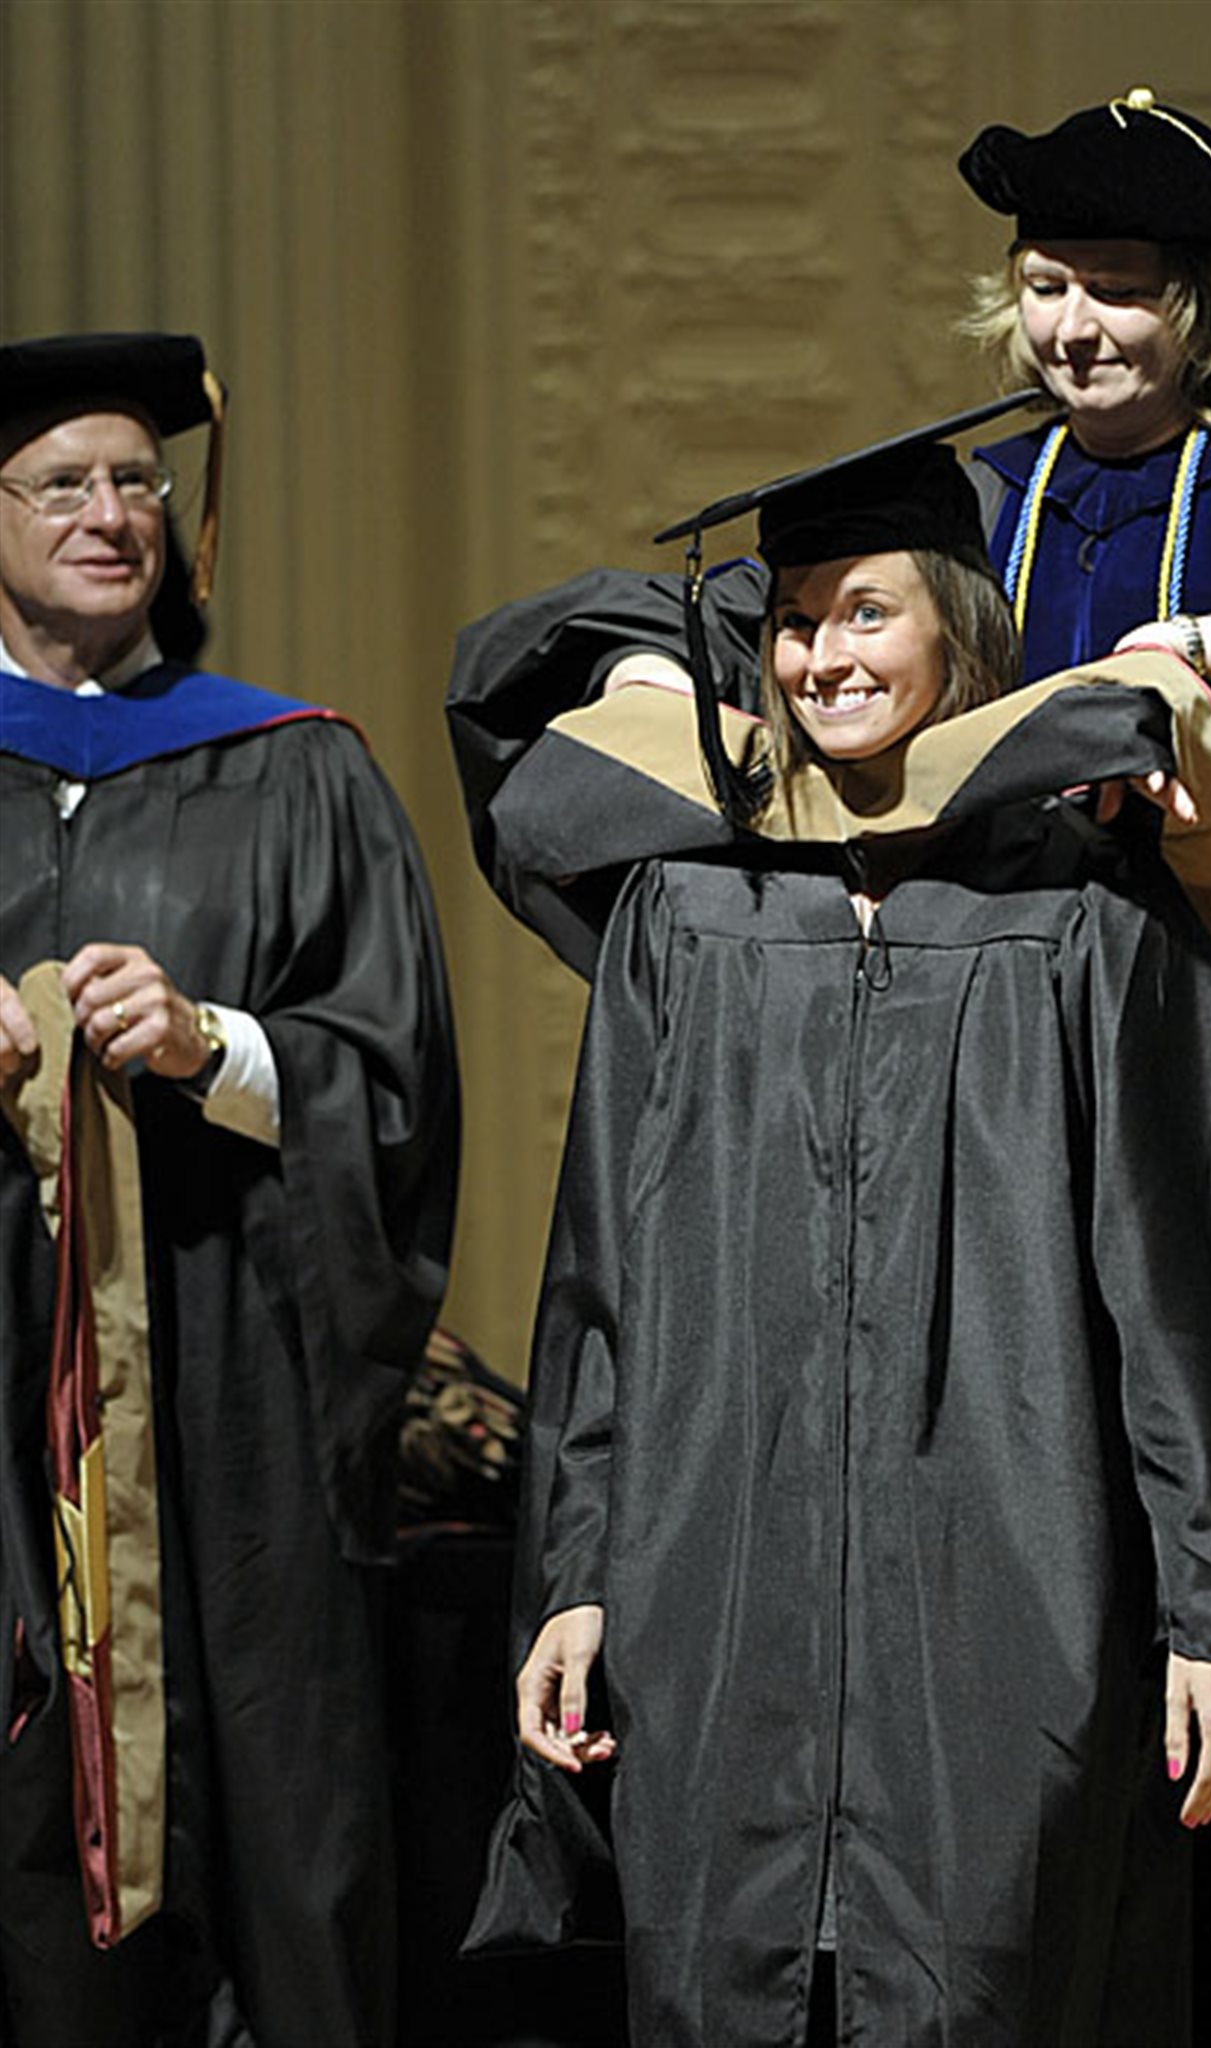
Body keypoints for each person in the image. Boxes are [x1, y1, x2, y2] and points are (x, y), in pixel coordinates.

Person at [450, 93, 1211, 2044]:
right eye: (1046, 289)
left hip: (1209, 1088)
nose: (1079, 328)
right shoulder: (966, 504)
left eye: (1123, 291)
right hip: (954, 1105)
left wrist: (1190, 661)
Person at [0, 332, 460, 2048]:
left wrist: (210, 1047)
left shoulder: (295, 766)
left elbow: (396, 1078)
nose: (113, 514)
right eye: (65, 483)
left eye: (140, 481)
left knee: (275, 1835)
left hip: (226, 1398)